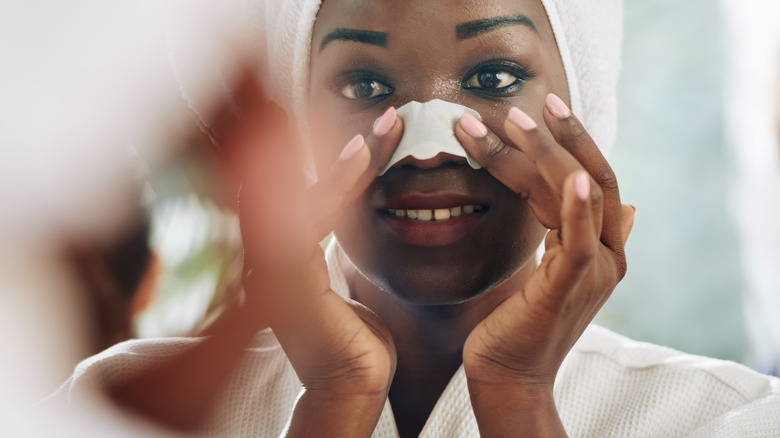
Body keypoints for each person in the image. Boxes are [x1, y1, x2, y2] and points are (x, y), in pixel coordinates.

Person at [55, 0, 780, 437]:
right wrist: (335, 400)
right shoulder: (105, 415)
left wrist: (518, 398)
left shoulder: (728, 418)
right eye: (363, 85)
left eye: (493, 78)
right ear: (292, 126)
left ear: (583, 107)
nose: (428, 147)